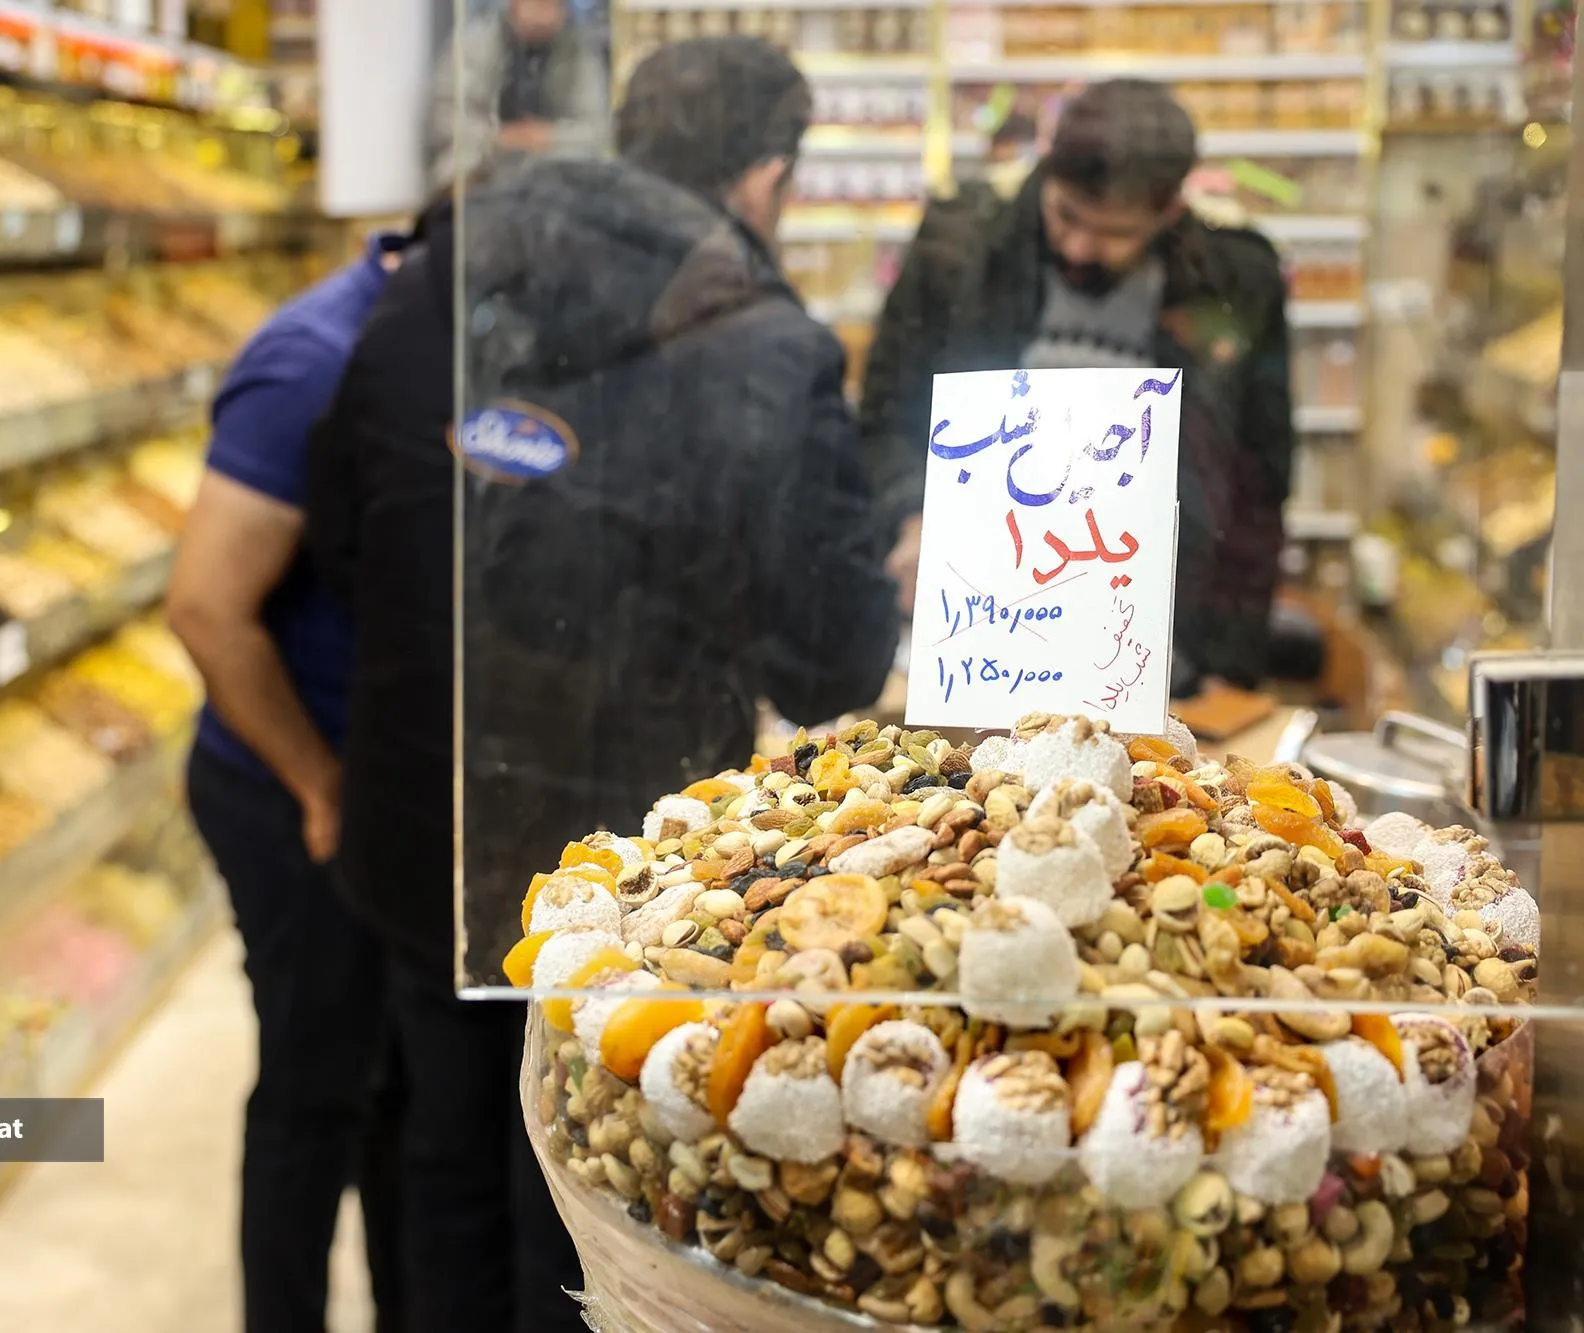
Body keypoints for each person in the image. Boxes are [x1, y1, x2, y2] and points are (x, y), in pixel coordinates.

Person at [308, 34, 897, 1330]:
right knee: (590, 1200)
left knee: (444, 1157)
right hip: (627, 865)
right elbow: (831, 660)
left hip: (425, 818)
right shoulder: (763, 345)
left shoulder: (447, 269)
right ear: (766, 176)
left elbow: (341, 531)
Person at [858, 78, 1295, 698]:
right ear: (1046, 170)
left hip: (1156, 637)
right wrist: (911, 512)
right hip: (977, 629)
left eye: (1114, 233)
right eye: (1065, 215)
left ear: (1170, 212)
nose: (1079, 247)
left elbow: (1259, 477)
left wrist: (1230, 661)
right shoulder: (959, 251)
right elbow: (886, 414)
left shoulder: (1237, 276)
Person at [165, 229, 411, 1333]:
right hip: (284, 787)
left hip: (366, 789)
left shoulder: (417, 339)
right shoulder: (312, 360)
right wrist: (320, 786)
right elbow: (204, 607)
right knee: (314, 1090)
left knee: (391, 1090)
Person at [426, 0, 609, 190]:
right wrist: (501, 138)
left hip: (554, 163)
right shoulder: (472, 47)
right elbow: (446, 122)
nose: (544, 14)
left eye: (553, 5)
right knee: (457, 165)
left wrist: (547, 137)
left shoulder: (580, 53)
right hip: (485, 160)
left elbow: (597, 130)